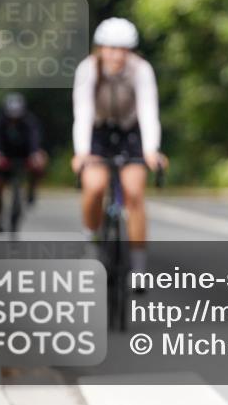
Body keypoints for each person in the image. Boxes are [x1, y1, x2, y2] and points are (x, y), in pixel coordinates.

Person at [72, 17, 166, 288]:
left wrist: (151, 150)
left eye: (123, 50)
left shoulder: (141, 69)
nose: (117, 55)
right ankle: (91, 242)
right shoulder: (88, 69)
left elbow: (148, 111)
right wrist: (82, 152)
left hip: (130, 132)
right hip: (97, 132)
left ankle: (138, 268)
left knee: (134, 193)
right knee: (94, 186)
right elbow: (83, 112)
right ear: (101, 48)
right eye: (111, 48)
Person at [0, 92, 48, 232]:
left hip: (24, 155)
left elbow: (35, 138)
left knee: (42, 159)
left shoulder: (29, 121)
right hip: (4, 156)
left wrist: (35, 154)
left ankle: (32, 190)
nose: (14, 119)